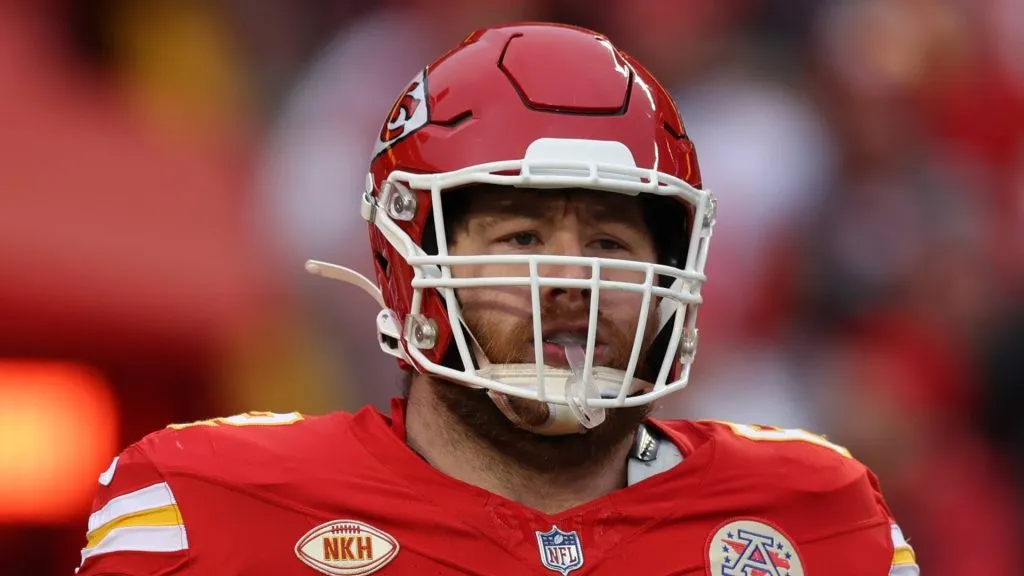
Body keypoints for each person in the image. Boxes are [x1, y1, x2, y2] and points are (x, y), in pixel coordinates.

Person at [76, 23, 920, 576]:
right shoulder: (209, 509)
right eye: (520, 237)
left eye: (611, 243)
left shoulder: (819, 516)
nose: (568, 277)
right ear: (411, 263)